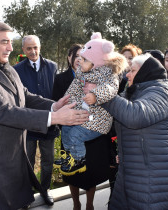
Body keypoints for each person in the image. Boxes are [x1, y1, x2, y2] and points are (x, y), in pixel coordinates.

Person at [0, 21, 89, 210]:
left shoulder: (6, 67)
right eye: (5, 42)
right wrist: (55, 118)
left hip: (13, 156)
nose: (11, 48)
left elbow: (25, 96)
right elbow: (4, 111)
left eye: (11, 42)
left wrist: (53, 106)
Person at [102, 53, 168, 209]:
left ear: (145, 72)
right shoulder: (133, 92)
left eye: (132, 70)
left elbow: (135, 116)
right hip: (134, 173)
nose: (128, 74)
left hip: (154, 178)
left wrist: (103, 95)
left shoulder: (160, 91)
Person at [54, 33, 127, 176]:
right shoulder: (83, 72)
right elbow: (74, 88)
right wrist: (64, 102)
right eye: (80, 58)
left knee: (75, 135)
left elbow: (110, 89)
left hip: (98, 121)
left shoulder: (108, 74)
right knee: (66, 129)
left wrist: (95, 95)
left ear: (97, 61)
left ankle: (79, 160)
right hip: (84, 116)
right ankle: (70, 156)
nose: (80, 61)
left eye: (84, 59)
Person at [52, 43, 111, 210]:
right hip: (70, 131)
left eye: (83, 56)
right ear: (70, 58)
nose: (80, 59)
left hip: (92, 133)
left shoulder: (100, 74)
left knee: (90, 173)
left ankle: (90, 204)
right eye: (77, 56)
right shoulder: (61, 78)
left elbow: (108, 95)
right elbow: (57, 102)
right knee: (72, 175)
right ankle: (76, 203)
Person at [13, 35, 58, 201]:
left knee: (48, 160)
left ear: (40, 47)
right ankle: (28, 193)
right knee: (27, 161)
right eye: (29, 48)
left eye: (35, 47)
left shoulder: (52, 67)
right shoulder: (16, 70)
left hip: (49, 124)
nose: (33, 51)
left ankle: (45, 190)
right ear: (23, 50)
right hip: (28, 125)